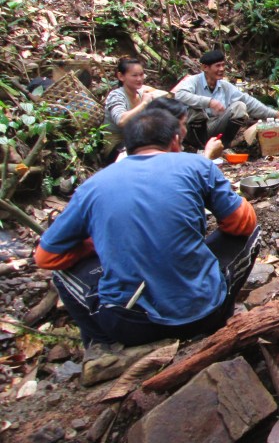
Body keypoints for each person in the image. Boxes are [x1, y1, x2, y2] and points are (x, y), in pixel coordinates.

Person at [35, 109, 260, 348]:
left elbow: (46, 256)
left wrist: (96, 245)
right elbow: (243, 223)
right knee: (250, 234)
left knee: (60, 272)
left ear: (127, 146)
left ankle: (102, 345)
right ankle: (220, 314)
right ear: (175, 141)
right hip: (206, 312)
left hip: (131, 325)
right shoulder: (196, 165)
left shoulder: (92, 187)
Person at [173, 49, 279, 148]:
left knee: (240, 106)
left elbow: (249, 102)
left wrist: (274, 114)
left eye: (223, 65)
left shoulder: (225, 86)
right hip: (193, 132)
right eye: (217, 66)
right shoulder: (193, 81)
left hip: (214, 128)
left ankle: (224, 146)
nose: (221, 69)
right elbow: (179, 95)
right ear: (205, 67)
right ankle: (200, 147)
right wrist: (209, 102)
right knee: (196, 110)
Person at [113, 98, 224, 163]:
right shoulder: (145, 156)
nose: (185, 130)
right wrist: (207, 155)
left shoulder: (146, 146)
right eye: (183, 124)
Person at [103, 57, 157, 163]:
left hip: (138, 140)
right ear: (121, 76)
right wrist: (144, 103)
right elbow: (121, 121)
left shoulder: (142, 93)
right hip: (117, 144)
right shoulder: (116, 95)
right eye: (134, 75)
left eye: (141, 75)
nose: (139, 79)